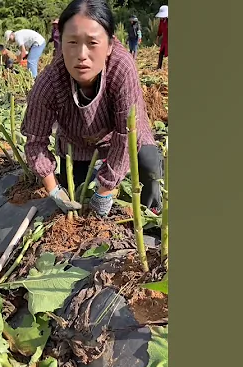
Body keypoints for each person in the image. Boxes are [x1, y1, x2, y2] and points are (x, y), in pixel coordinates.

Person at [21, 0, 163, 217]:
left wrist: (105, 190)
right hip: (77, 141)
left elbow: (126, 135)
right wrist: (53, 189)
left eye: (93, 43)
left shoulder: (121, 68)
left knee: (149, 161)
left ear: (110, 46)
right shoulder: (50, 81)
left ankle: (150, 210)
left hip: (120, 133)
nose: (82, 55)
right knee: (76, 190)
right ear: (61, 43)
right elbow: (35, 141)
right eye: (73, 42)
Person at [155, 5, 168, 69]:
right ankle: (159, 67)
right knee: (161, 54)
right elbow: (160, 30)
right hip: (164, 41)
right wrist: (157, 38)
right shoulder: (162, 21)